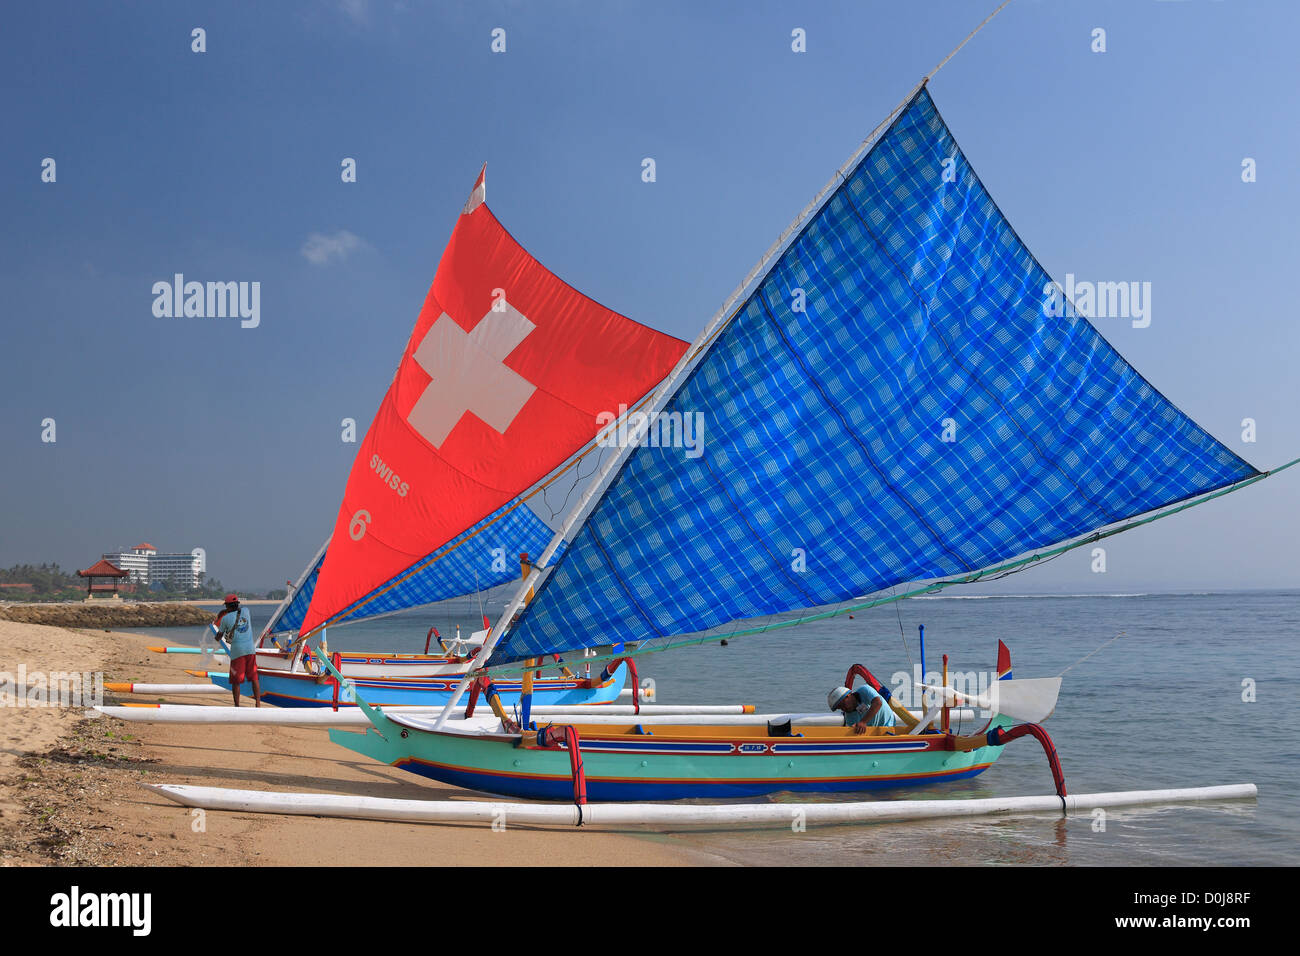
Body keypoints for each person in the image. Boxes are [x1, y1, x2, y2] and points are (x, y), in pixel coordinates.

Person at [212, 593, 260, 707]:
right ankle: (258, 704)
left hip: (237, 652)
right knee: (254, 678)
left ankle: (237, 706)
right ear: (237, 603)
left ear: (227, 606)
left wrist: (217, 623)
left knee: (236, 681)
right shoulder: (246, 611)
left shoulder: (225, 619)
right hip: (250, 650)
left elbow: (219, 636)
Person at [828, 684, 898, 735]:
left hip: (889, 726)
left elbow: (877, 703)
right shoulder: (849, 718)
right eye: (840, 708)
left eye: (842, 705)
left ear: (848, 696)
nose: (844, 709)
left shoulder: (864, 690)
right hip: (874, 734)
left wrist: (863, 722)